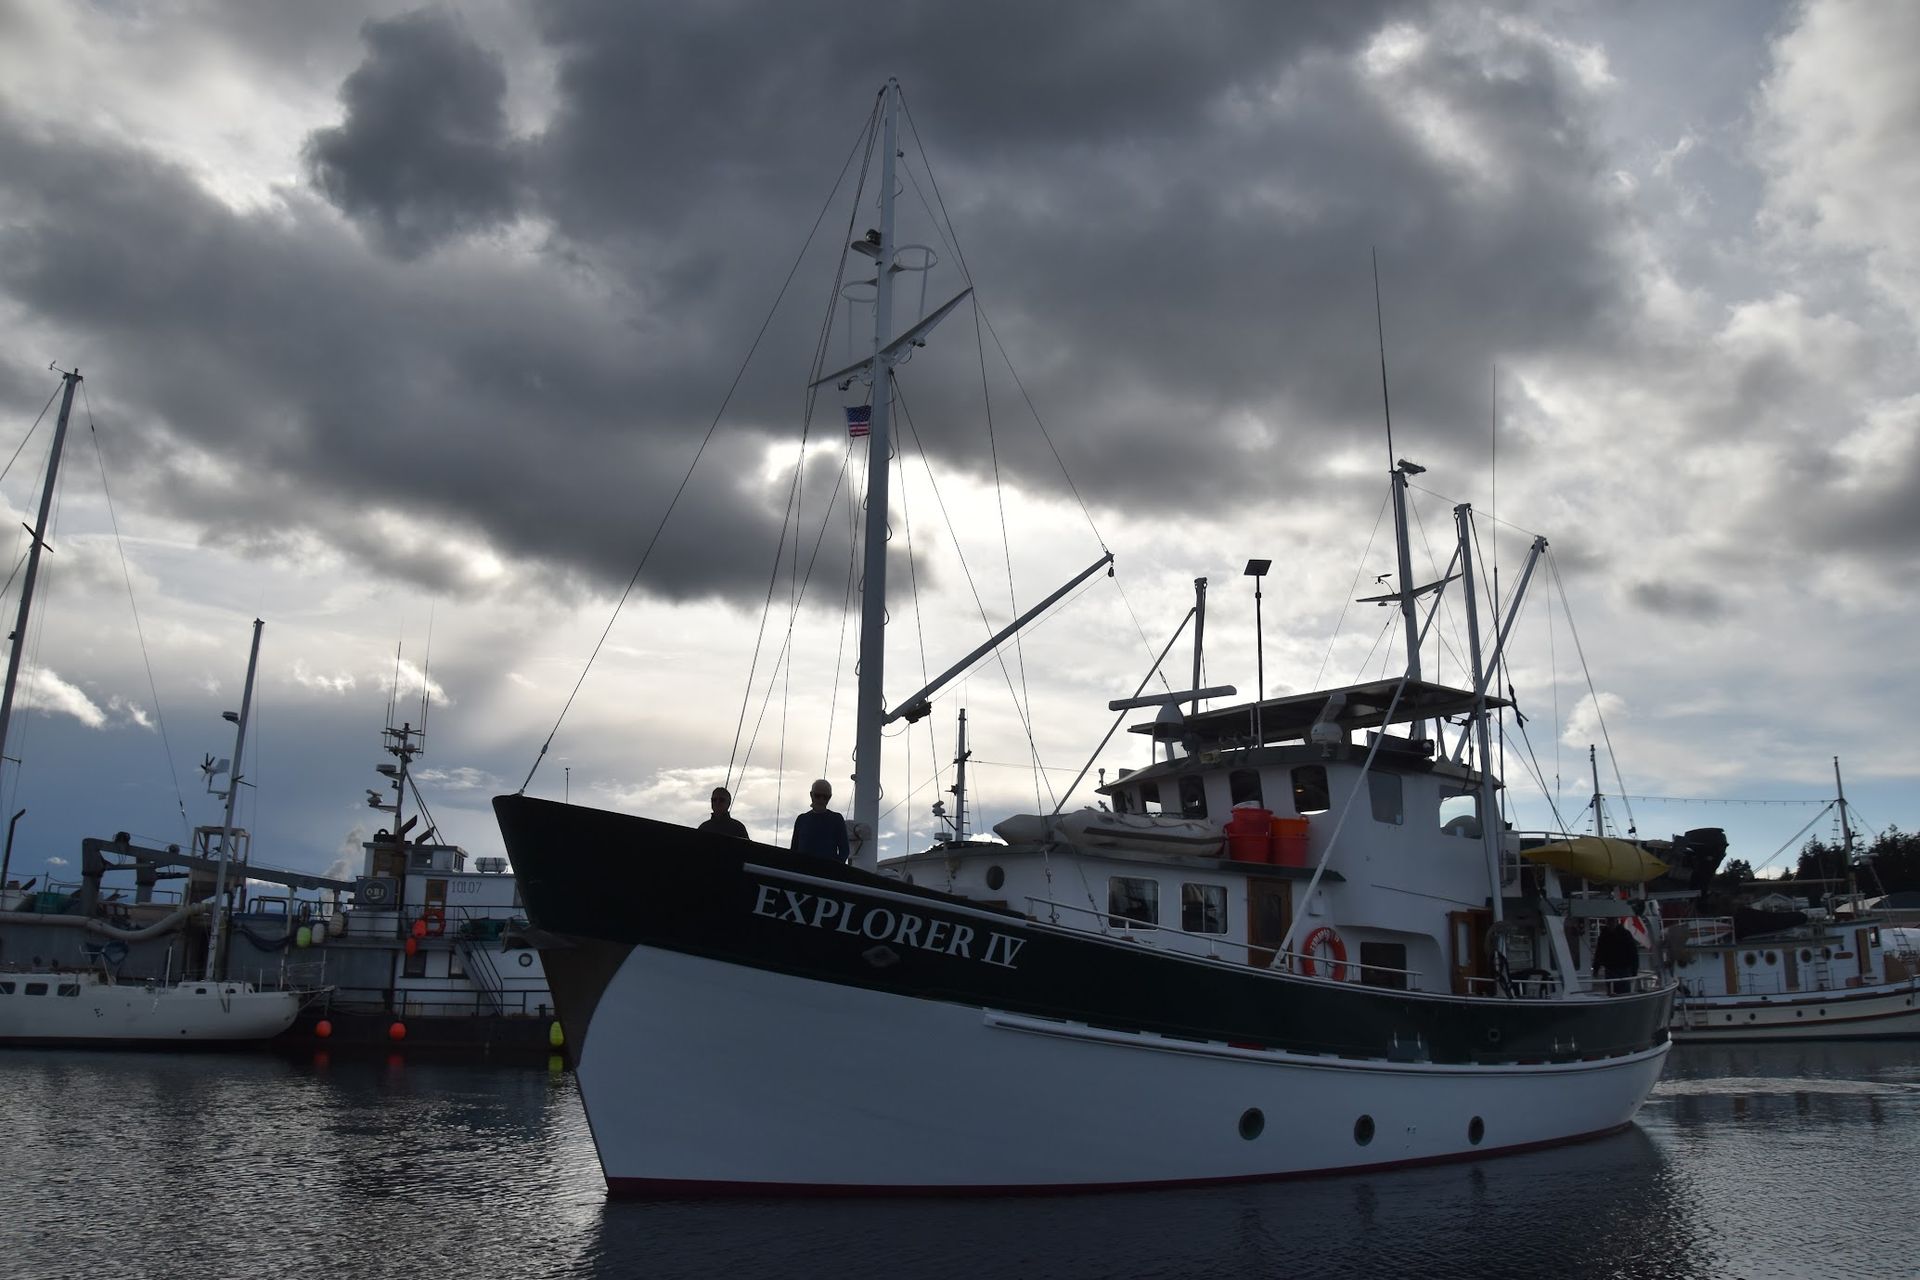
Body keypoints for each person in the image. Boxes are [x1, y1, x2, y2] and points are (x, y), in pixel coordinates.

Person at [790, 779, 850, 863]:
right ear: (811, 795)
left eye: (825, 797)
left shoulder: (837, 819)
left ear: (830, 797)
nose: (821, 800)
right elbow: (794, 850)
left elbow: (844, 850)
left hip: (826, 869)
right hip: (803, 868)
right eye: (817, 796)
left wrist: (835, 868)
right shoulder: (801, 819)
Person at [1591, 918, 1639, 995]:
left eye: (1612, 921)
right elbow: (1599, 953)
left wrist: (1634, 971)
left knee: (1624, 993)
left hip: (1623, 969)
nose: (1610, 923)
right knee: (1611, 992)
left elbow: (1633, 953)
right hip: (1610, 969)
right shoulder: (1604, 935)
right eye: (1609, 921)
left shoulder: (1625, 934)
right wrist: (1596, 968)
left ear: (1616, 921)